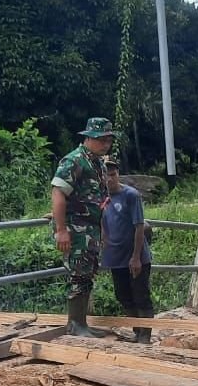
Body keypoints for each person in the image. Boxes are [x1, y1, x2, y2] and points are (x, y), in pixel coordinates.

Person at [52, 117, 113, 337]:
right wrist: (61, 230)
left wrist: (103, 232)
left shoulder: (98, 164)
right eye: (101, 140)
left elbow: (101, 202)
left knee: (87, 273)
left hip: (91, 229)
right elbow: (58, 192)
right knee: (78, 274)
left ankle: (81, 323)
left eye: (108, 140)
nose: (105, 144)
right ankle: (75, 324)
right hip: (75, 229)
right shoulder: (74, 161)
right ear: (88, 138)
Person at [101, 159, 153, 344]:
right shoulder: (101, 197)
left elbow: (139, 226)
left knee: (141, 295)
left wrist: (136, 257)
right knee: (123, 295)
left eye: (113, 175)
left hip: (135, 254)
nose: (110, 179)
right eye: (106, 175)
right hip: (115, 256)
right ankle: (136, 330)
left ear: (118, 175)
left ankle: (145, 334)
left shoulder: (131, 195)